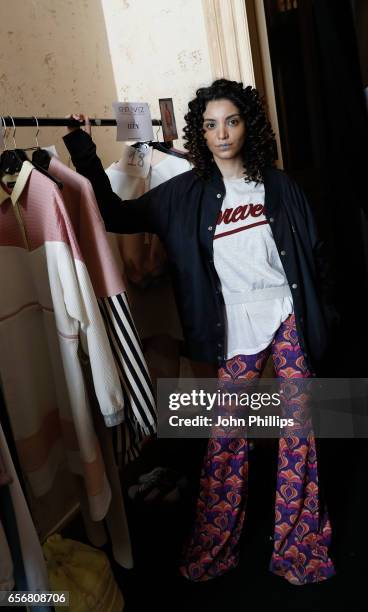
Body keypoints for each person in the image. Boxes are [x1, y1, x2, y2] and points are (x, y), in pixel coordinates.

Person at [63, 78, 336, 585]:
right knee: (226, 435)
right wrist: (82, 149)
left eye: (231, 121)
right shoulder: (183, 194)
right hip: (232, 326)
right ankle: (215, 545)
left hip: (286, 314)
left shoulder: (281, 186)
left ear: (247, 126)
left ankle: (299, 543)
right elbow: (113, 212)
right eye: (210, 125)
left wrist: (323, 314)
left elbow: (316, 256)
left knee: (299, 430)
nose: (222, 133)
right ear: (201, 134)